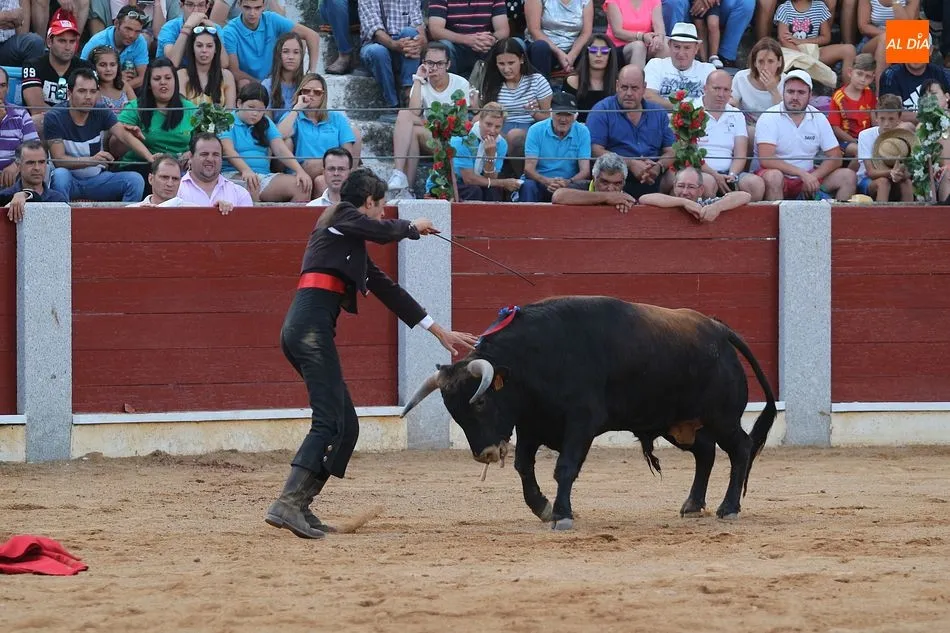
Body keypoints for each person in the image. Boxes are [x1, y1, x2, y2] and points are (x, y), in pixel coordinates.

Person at [264, 167, 478, 539]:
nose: (381, 214)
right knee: (328, 421)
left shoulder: (347, 240)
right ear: (368, 202)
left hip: (309, 332)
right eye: (381, 206)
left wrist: (438, 330)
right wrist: (412, 227)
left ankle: (301, 503)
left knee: (346, 426)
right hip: (309, 333)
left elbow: (388, 290)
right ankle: (287, 502)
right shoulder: (339, 215)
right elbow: (377, 230)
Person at [46, 68, 149, 203]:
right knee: (60, 175)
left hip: (97, 180)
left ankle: (124, 217)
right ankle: (62, 217)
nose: (88, 96)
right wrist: (92, 160)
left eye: (93, 91)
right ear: (69, 93)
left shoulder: (101, 110)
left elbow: (124, 135)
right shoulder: (55, 116)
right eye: (82, 91)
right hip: (69, 179)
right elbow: (58, 160)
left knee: (135, 180)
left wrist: (150, 158)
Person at [754, 69, 857, 201]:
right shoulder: (769, 116)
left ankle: (837, 215)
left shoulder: (818, 118)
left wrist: (813, 176)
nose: (795, 97)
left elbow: (836, 157)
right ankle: (779, 215)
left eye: (801, 92)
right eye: (790, 91)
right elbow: (766, 159)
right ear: (783, 92)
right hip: (779, 178)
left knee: (848, 176)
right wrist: (802, 174)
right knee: (774, 176)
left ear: (810, 95)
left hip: (809, 177)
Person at [387, 42, 472, 195]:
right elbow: (414, 112)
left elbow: (461, 122)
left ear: (448, 65)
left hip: (452, 139)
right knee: (405, 115)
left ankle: (407, 186)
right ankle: (400, 176)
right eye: (430, 63)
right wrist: (418, 79)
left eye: (439, 64)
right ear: (423, 63)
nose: (434, 68)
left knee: (411, 125)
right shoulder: (421, 83)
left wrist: (432, 123)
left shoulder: (461, 83)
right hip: (431, 135)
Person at [219, 82, 311, 202]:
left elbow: (280, 148)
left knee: (302, 186)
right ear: (239, 103)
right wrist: (246, 170)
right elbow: (227, 149)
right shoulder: (227, 120)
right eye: (251, 107)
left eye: (260, 110)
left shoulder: (265, 122)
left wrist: (299, 171)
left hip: (263, 176)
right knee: (251, 185)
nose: (255, 113)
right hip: (234, 174)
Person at [695, 70, 766, 201]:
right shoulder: (689, 110)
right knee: (707, 183)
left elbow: (740, 155)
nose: (721, 94)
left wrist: (732, 175)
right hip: (700, 171)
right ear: (705, 88)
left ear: (731, 92)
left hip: (729, 173)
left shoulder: (736, 114)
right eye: (716, 88)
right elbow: (690, 154)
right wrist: (714, 175)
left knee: (756, 184)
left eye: (726, 90)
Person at [21, 17, 92, 138]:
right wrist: (71, 116)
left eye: (72, 41)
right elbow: (37, 108)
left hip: (79, 125)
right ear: (49, 42)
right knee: (37, 121)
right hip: (48, 124)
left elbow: (92, 104)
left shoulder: (86, 68)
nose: (68, 47)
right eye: (62, 41)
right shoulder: (33, 65)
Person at [221, 0, 320, 86]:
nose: (252, 13)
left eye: (257, 8)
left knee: (298, 42)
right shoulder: (230, 31)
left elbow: (312, 36)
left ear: (264, 6)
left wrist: (311, 73)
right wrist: (263, 84)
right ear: (239, 4)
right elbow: (235, 71)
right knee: (243, 83)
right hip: (252, 84)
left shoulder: (271, 19)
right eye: (247, 7)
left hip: (275, 78)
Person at [357, 0, 426, 118]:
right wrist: (395, 44)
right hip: (376, 45)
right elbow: (376, 31)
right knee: (378, 51)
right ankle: (392, 104)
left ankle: (409, 93)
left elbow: (418, 25)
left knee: (410, 33)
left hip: (403, 48)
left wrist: (420, 40)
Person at [520, 92, 592, 202]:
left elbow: (585, 171)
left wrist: (568, 182)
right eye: (559, 114)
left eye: (568, 115)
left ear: (575, 116)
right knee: (528, 186)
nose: (563, 119)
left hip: (569, 184)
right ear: (551, 113)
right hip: (540, 182)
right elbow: (529, 169)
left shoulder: (583, 131)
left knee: (584, 186)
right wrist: (547, 181)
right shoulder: (535, 130)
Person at [640, 166, 751, 222]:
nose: (685, 192)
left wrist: (717, 207)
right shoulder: (668, 202)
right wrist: (684, 202)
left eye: (691, 187)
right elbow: (644, 198)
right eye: (681, 186)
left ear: (701, 190)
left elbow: (745, 195)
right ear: (674, 186)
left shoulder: (705, 205)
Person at [643, 22, 715, 109]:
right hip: (662, 117)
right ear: (669, 45)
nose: (681, 53)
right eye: (677, 47)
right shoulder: (655, 64)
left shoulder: (708, 70)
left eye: (687, 48)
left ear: (696, 48)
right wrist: (684, 109)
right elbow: (648, 96)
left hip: (700, 117)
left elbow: (718, 99)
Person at [855, 94, 913, 202]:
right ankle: (880, 213)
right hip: (868, 180)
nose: (886, 124)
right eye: (882, 118)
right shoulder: (865, 135)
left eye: (891, 119)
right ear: (876, 117)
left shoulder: (905, 137)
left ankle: (909, 213)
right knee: (883, 183)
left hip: (896, 178)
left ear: (899, 119)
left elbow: (909, 171)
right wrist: (891, 172)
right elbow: (870, 172)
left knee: (907, 183)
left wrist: (901, 174)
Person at [80, 6, 151, 91]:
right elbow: (82, 75)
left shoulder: (140, 41)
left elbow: (142, 78)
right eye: (128, 29)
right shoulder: (97, 42)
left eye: (137, 31)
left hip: (125, 88)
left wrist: (118, 89)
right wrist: (117, 80)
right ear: (116, 23)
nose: (132, 35)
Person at [176, 132, 253, 208]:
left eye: (216, 154)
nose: (210, 159)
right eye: (204, 154)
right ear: (190, 157)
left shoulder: (239, 194)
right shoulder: (176, 190)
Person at [1, 140, 68, 223]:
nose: (37, 168)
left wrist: (26, 194)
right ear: (18, 166)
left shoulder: (58, 200)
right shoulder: (4, 197)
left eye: (41, 162)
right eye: (30, 163)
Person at [523, 0, 594, 76]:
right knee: (540, 47)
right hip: (545, 46)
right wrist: (559, 53)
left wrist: (572, 55)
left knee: (594, 48)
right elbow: (534, 30)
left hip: (573, 49)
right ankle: (542, 83)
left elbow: (586, 33)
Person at [550, 151, 637, 212]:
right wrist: (607, 197)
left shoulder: (626, 200)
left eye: (617, 184)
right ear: (594, 178)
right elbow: (558, 196)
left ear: (624, 182)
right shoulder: (581, 187)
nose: (610, 189)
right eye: (605, 182)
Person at [828, 52, 876, 159]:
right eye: (859, 74)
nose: (863, 79)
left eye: (868, 76)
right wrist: (855, 141)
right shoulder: (838, 97)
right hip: (845, 141)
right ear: (850, 72)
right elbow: (835, 128)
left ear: (873, 78)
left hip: (866, 138)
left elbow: (873, 116)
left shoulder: (869, 93)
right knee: (860, 150)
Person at [562, 35, 620, 124]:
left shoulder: (619, 84)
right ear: (587, 53)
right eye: (593, 50)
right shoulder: (572, 81)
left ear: (610, 55)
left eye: (604, 51)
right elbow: (564, 115)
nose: (598, 54)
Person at [177, 25, 237, 108]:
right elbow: (181, 108)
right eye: (199, 46)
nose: (204, 50)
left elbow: (230, 111)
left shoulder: (227, 76)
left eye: (209, 46)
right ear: (192, 48)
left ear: (216, 49)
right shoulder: (181, 74)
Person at [730, 38, 785, 126]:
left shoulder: (787, 82)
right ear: (755, 63)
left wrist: (774, 91)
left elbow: (786, 116)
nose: (765, 67)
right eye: (761, 62)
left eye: (770, 61)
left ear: (779, 62)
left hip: (775, 127)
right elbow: (731, 104)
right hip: (747, 127)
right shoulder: (741, 78)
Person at [0, 68, 40, 188]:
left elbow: (35, 149)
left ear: (8, 88)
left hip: (13, 180)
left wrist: (17, 165)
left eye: (2, 86)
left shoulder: (21, 114)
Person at [262, 32, 306, 123]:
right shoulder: (267, 85)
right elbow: (268, 123)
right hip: (276, 131)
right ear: (278, 55)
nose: (291, 57)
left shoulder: (307, 84)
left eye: (296, 52)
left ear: (301, 56)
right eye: (286, 52)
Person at [88, 46, 137, 115]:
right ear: (93, 66)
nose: (108, 69)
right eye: (102, 65)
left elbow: (137, 110)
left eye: (112, 65)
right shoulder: (92, 90)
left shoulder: (124, 85)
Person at [0, 2, 44, 67]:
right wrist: (5, 17)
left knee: (35, 42)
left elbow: (17, 17)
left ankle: (31, 74)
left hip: (5, 44)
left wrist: (10, 17)